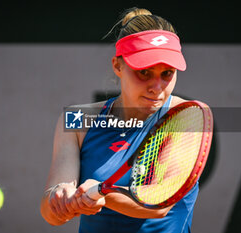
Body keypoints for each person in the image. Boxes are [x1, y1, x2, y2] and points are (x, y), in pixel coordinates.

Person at [40, 7, 199, 233]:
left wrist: (102, 193)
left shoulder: (187, 115)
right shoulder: (76, 119)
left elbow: (160, 204)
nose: (157, 88)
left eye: (167, 73)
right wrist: (60, 197)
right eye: (144, 72)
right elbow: (50, 215)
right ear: (117, 65)